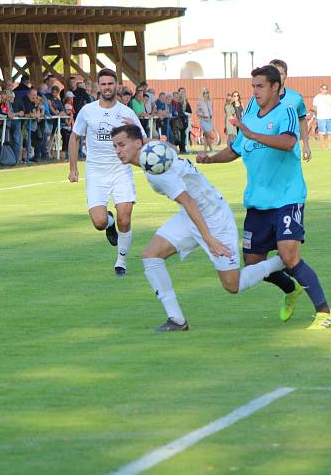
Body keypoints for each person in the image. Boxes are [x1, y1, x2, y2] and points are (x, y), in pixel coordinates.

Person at [197, 65, 331, 329]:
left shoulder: (286, 112)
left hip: (287, 198)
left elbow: (287, 142)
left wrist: (252, 134)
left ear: (275, 87)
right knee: (253, 265)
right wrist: (211, 160)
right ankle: (290, 289)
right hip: (257, 202)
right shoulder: (250, 116)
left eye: (260, 86)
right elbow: (237, 149)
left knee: (289, 255)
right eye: (253, 86)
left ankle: (325, 312)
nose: (255, 91)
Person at [111, 124, 287, 331]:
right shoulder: (155, 152)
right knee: (150, 255)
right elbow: (174, 149)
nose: (118, 151)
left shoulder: (156, 171)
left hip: (214, 217)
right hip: (192, 216)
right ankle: (176, 320)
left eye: (122, 144)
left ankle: (283, 261)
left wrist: (210, 240)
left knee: (233, 285)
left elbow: (189, 202)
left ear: (138, 143)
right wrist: (147, 141)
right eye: (115, 146)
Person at [68, 68, 146, 276]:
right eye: (103, 84)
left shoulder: (127, 113)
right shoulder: (88, 111)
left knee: (126, 217)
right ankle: (109, 223)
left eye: (110, 83)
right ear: (98, 87)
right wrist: (73, 168)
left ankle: (121, 262)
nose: (107, 87)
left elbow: (142, 141)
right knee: (99, 222)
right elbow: (75, 137)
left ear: (116, 85)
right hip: (95, 172)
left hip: (121, 170)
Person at [312, 84, 331, 150]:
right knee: (322, 132)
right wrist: (316, 115)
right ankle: (323, 145)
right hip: (321, 117)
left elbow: (330, 106)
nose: (325, 90)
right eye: (323, 89)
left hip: (329, 116)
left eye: (326, 89)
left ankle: (330, 145)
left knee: (330, 131)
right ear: (320, 89)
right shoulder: (317, 97)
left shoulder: (329, 96)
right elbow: (314, 107)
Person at [196, 88, 215, 152]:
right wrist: (203, 115)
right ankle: (211, 149)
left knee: (206, 137)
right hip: (203, 120)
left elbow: (211, 110)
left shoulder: (210, 101)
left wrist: (211, 114)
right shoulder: (200, 102)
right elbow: (197, 112)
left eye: (207, 92)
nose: (206, 94)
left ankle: (206, 150)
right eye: (204, 93)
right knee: (209, 135)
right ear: (202, 94)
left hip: (209, 120)